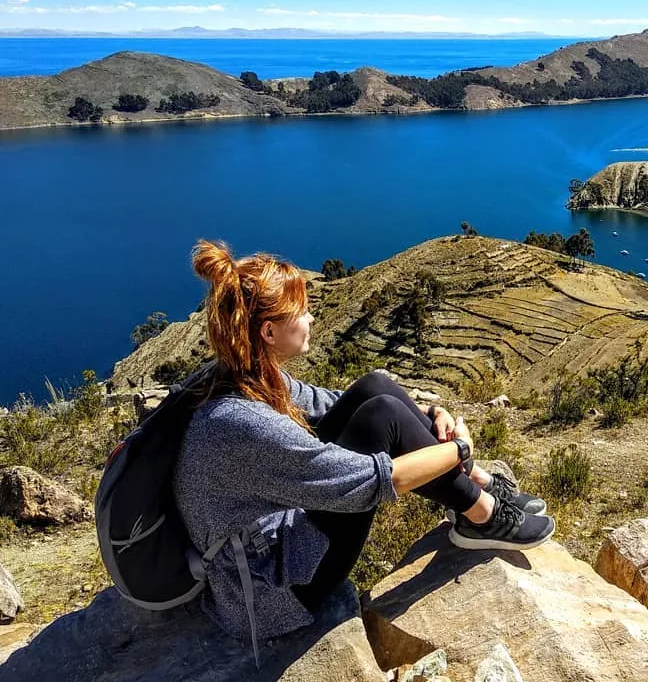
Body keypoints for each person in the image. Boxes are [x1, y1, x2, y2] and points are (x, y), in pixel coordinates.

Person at [173, 239, 553, 649]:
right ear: (269, 331)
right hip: (273, 589)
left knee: (376, 387)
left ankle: (476, 484)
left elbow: (337, 402)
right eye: (302, 311)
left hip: (273, 537)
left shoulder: (247, 374)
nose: (312, 317)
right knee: (382, 417)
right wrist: (458, 449)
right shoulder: (239, 422)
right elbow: (374, 479)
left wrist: (430, 415)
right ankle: (483, 515)